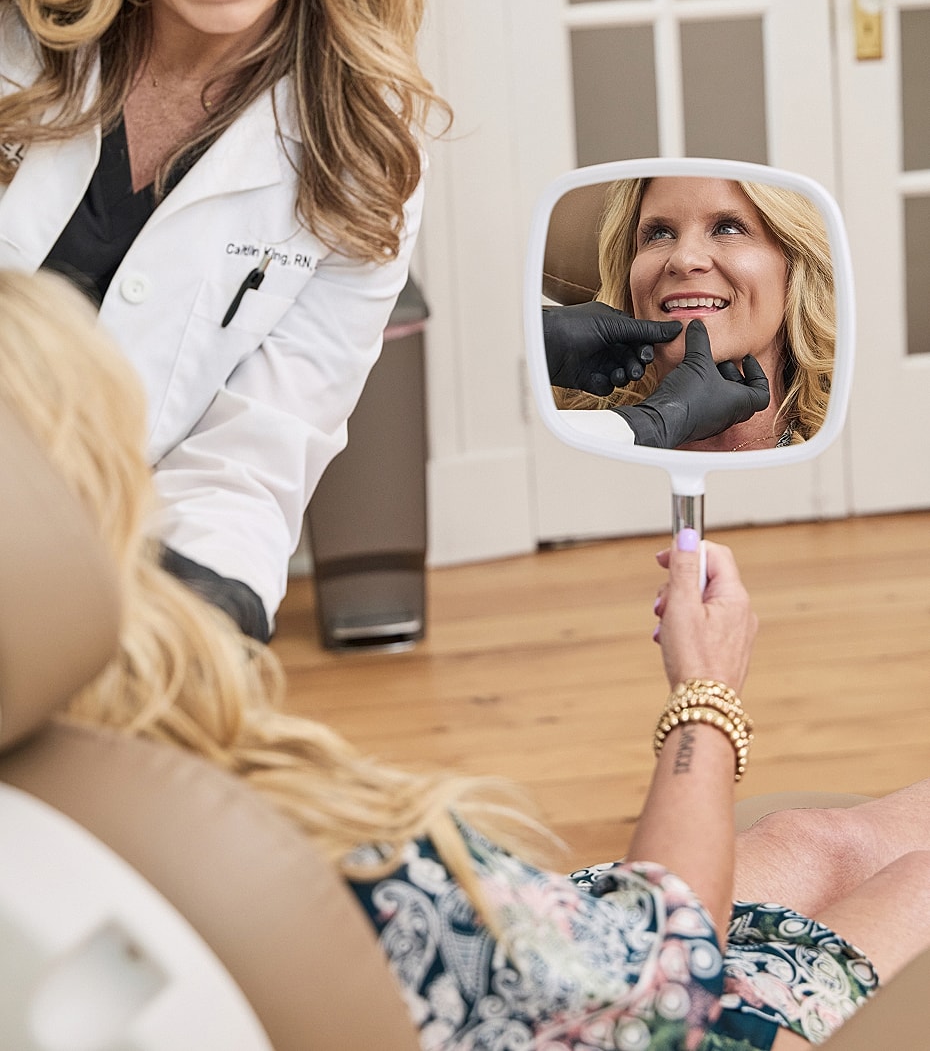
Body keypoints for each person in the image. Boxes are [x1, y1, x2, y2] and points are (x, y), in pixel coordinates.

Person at [5, 266, 930, 1050]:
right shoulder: (288, 849)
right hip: (648, 1005)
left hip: (553, 968)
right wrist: (706, 699)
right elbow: (656, 997)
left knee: (814, 842)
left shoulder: (79, 766)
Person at [0, 0, 448, 640]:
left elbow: (256, 453)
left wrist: (192, 633)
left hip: (101, 608)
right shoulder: (11, 18)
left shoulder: (362, 151)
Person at [551, 177, 835, 452]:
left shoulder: (842, 444)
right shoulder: (548, 424)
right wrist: (543, 338)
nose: (683, 259)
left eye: (727, 228)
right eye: (659, 234)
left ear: (794, 268)